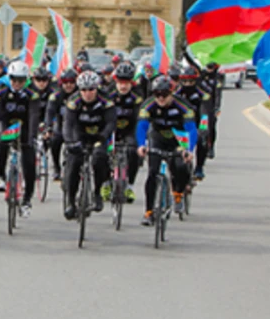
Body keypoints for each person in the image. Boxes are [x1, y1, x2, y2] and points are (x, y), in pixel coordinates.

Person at [137, 75, 196, 222]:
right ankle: (149, 211)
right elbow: (142, 126)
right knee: (152, 173)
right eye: (157, 95)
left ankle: (178, 193)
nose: (160, 98)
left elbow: (191, 129)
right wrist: (141, 145)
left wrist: (189, 149)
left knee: (181, 167)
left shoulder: (183, 106)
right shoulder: (148, 105)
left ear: (172, 93)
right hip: (157, 138)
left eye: (164, 95)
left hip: (178, 139)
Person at [61, 70, 116, 220]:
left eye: (91, 89)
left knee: (100, 158)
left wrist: (103, 137)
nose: (87, 93)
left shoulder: (106, 100)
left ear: (97, 88)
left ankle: (97, 191)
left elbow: (111, 123)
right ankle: (71, 201)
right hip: (80, 134)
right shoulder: (74, 101)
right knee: (73, 164)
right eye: (83, 90)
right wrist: (69, 142)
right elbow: (67, 124)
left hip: (100, 134)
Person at [0, 61, 40, 216]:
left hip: (25, 126)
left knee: (29, 158)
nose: (17, 83)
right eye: (14, 79)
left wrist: (32, 137)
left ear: (26, 79)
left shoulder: (32, 93)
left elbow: (33, 116)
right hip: (8, 124)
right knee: (2, 145)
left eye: (21, 80)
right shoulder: (0, 92)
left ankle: (27, 200)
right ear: (9, 78)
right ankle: (1, 176)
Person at [104, 61, 141, 204]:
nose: (123, 86)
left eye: (126, 82)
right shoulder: (109, 94)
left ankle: (130, 185)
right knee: (103, 153)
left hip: (129, 129)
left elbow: (140, 118)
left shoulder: (137, 97)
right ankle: (106, 182)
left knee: (133, 152)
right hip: (112, 129)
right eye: (120, 82)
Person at [45, 69, 77, 182]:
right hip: (61, 124)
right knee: (55, 141)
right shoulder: (56, 95)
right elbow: (49, 112)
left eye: (72, 82)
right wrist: (48, 128)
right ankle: (56, 167)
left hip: (77, 126)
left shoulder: (80, 94)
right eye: (65, 82)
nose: (68, 85)